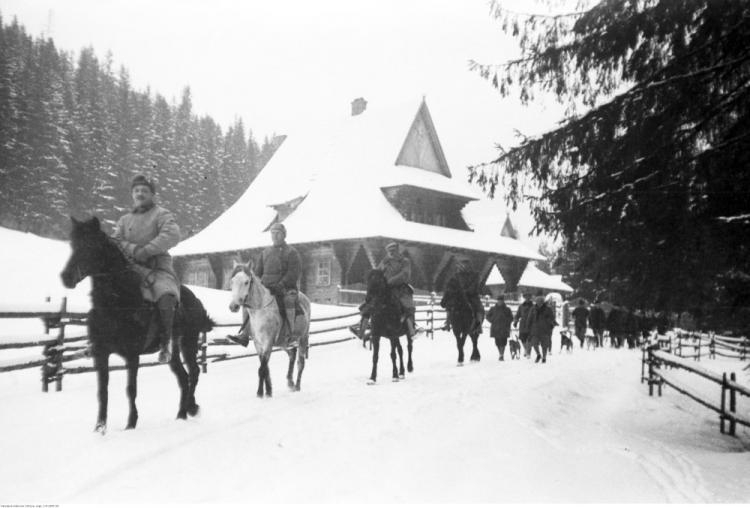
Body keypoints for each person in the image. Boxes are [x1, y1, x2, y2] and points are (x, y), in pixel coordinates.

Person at [114, 174, 181, 363]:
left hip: (158, 268)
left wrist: (148, 251)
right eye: (136, 191)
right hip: (131, 267)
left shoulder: (162, 214)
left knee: (165, 295)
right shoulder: (124, 220)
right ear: (132, 195)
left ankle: (166, 343)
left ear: (152, 194)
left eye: (144, 191)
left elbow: (172, 234)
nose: (140, 194)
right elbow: (116, 241)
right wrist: (135, 250)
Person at [240, 222, 302, 347]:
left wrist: (281, 285)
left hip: (284, 288)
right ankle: (245, 334)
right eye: (272, 233)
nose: (275, 236)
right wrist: (258, 286)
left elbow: (293, 273)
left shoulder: (291, 253)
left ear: (284, 235)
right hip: (266, 289)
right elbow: (257, 273)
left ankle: (290, 334)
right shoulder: (266, 252)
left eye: (278, 233)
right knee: (247, 302)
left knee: (289, 301)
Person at [358, 241, 416, 339]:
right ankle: (362, 330)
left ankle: (412, 330)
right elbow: (377, 272)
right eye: (389, 251)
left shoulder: (405, 261)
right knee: (369, 304)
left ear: (398, 250)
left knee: (406, 306)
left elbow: (405, 274)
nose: (391, 253)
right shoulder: (385, 261)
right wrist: (374, 279)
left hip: (400, 288)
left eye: (393, 250)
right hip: (385, 288)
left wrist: (391, 281)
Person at [440, 258, 484, 335]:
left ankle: (478, 325)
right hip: (460, 294)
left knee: (477, 307)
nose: (462, 267)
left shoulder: (475, 275)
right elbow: (453, 284)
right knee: (451, 304)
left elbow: (474, 285)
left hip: (471, 295)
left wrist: (467, 290)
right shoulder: (457, 275)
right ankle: (447, 322)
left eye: (464, 265)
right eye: (461, 265)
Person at [528, 291, 556, 363]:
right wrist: (528, 327)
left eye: (541, 301)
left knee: (544, 345)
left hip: (545, 329)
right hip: (535, 329)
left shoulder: (548, 309)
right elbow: (529, 318)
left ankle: (544, 357)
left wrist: (550, 324)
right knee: (534, 343)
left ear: (543, 302)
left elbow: (552, 318)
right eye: (538, 301)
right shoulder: (533, 309)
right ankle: (538, 354)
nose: (539, 303)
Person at [486, 295, 513, 361]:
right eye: (499, 300)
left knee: (503, 342)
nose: (500, 302)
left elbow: (511, 318)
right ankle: (500, 354)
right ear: (497, 301)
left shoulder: (507, 309)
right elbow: (487, 316)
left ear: (503, 301)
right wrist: (492, 320)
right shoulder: (493, 309)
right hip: (496, 328)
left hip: (504, 328)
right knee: (497, 342)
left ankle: (501, 355)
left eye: (501, 300)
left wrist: (507, 321)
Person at [514, 292, 534, 358]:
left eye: (529, 297)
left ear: (530, 298)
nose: (527, 298)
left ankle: (528, 353)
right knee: (523, 339)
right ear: (524, 298)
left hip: (531, 324)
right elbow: (517, 315)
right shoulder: (521, 306)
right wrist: (515, 321)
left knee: (529, 339)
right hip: (523, 324)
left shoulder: (533, 306)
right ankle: (526, 349)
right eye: (526, 297)